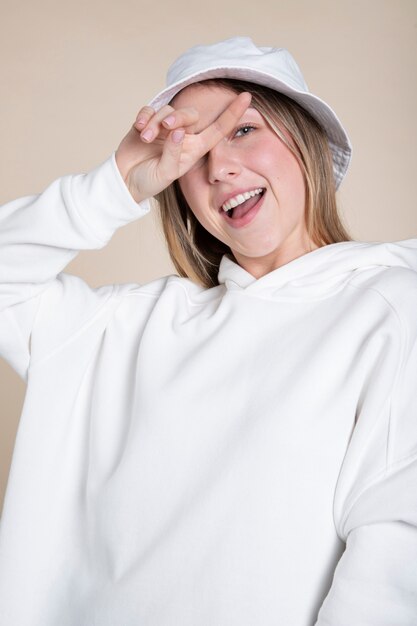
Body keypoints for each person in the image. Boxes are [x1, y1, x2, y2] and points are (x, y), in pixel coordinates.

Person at [0, 36, 416, 626]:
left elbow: (395, 553)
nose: (218, 167)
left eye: (242, 130)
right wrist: (115, 182)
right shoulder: (125, 329)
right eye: (189, 152)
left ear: (304, 140)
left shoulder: (392, 309)